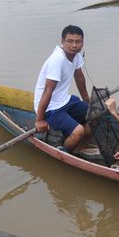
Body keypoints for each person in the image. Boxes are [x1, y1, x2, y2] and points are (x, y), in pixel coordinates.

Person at [34, 25, 91, 153]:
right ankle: (64, 152)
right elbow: (48, 91)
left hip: (64, 100)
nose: (74, 45)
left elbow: (80, 78)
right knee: (78, 131)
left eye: (78, 41)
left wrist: (87, 100)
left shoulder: (76, 55)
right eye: (70, 41)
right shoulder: (57, 60)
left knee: (95, 113)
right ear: (62, 42)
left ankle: (80, 148)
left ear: (83, 42)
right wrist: (40, 119)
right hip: (50, 107)